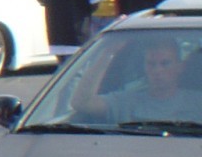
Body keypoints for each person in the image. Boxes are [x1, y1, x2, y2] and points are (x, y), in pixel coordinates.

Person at [72, 37, 202, 126]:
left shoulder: (197, 102)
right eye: (151, 64)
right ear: (144, 67)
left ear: (180, 67)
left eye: (165, 63)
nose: (157, 70)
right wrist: (108, 53)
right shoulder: (126, 102)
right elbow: (81, 103)